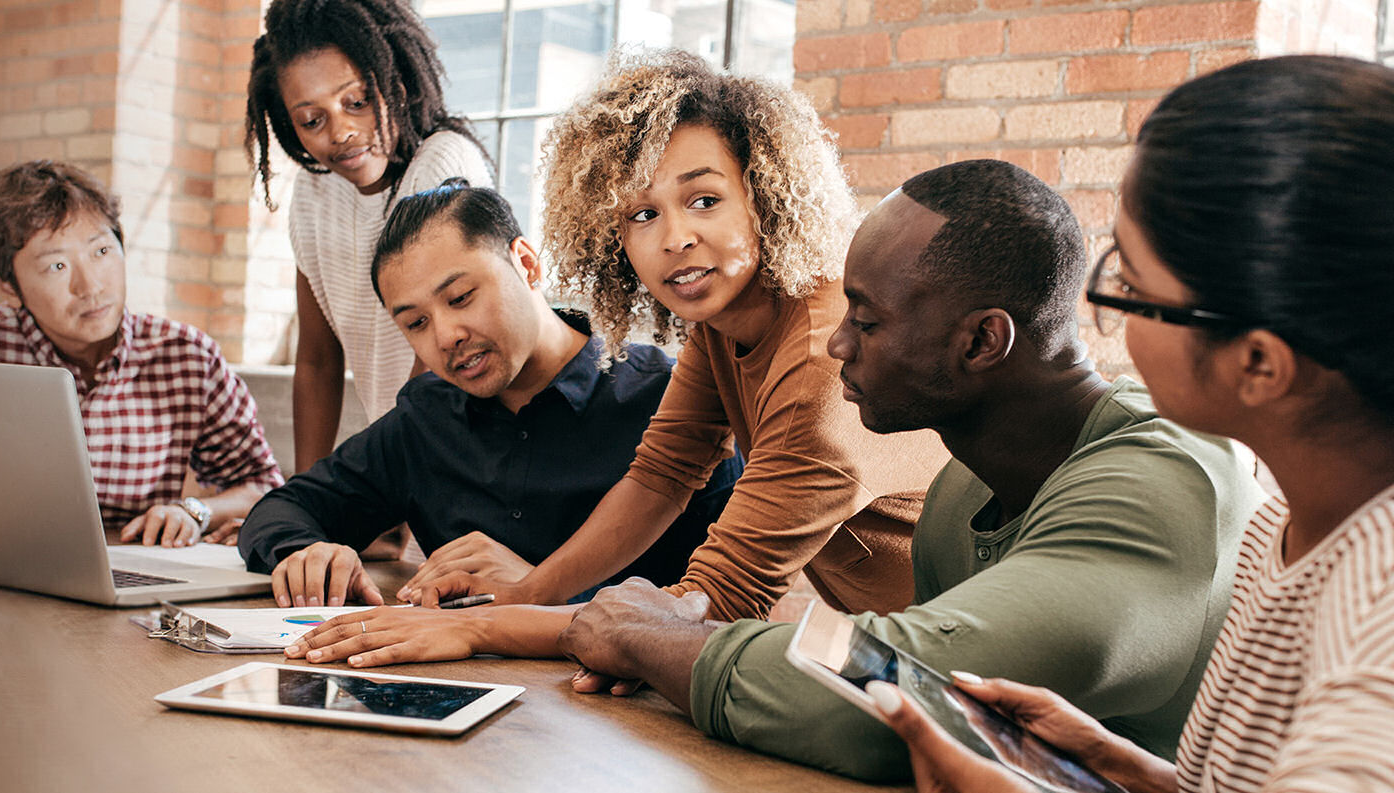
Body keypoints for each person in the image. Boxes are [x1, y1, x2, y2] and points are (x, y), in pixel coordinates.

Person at [555, 158, 1266, 783]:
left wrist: (648, 636)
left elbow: (903, 698)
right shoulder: (961, 492)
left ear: (982, 340)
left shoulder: (1166, 478)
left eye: (866, 320)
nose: (837, 341)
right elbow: (881, 658)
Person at [864, 55, 1394, 793]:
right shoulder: (1291, 526)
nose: (1115, 317)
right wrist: (1125, 772)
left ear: (1260, 363)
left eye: (1133, 286)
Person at [282, 49, 948, 668]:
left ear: (765, 192)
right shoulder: (722, 323)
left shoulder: (821, 359)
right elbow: (661, 474)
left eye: (704, 200)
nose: (675, 239)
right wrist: (522, 597)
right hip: (907, 642)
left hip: (969, 658)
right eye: (640, 215)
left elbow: (712, 601)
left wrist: (478, 626)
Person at [238, 179, 739, 608]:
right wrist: (309, 553)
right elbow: (281, 510)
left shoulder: (673, 404)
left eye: (460, 298)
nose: (445, 336)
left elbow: (718, 609)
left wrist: (536, 589)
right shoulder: (425, 419)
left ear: (526, 263)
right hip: (451, 696)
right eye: (416, 323)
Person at [0, 161, 284, 546]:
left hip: (132, 572)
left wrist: (194, 509)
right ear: (6, 284)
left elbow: (263, 487)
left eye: (102, 251)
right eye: (57, 265)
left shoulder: (187, 357)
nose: (91, 285)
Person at [245, 0, 493, 475]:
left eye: (356, 102)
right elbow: (318, 361)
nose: (341, 132)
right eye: (312, 120)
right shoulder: (314, 195)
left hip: (467, 456)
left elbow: (442, 359)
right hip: (404, 460)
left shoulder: (442, 165)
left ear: (394, 81)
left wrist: (389, 493)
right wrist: (309, 499)